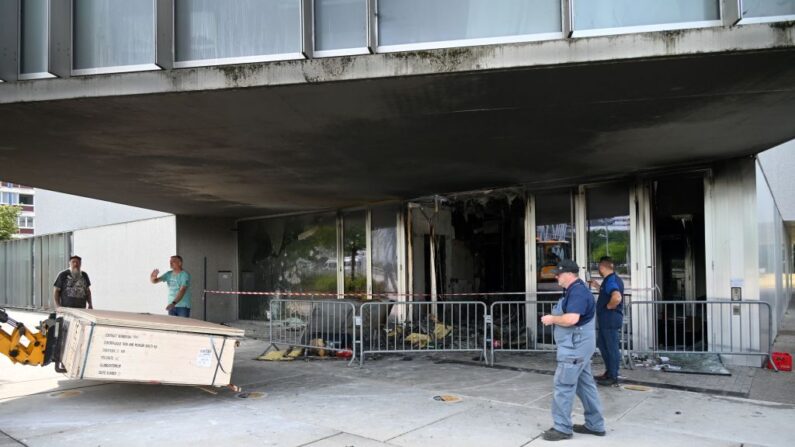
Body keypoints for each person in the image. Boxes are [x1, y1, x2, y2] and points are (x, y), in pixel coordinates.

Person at [540, 259, 605, 441]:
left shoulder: (577, 291)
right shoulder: (573, 290)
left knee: (564, 385)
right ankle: (595, 424)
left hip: (575, 346)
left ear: (569, 274)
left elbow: (571, 319)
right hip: (579, 345)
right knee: (585, 385)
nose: (556, 276)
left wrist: (552, 319)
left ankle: (562, 428)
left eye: (558, 273)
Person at [590, 256, 625, 387]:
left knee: (611, 347)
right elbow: (607, 293)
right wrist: (596, 286)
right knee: (603, 344)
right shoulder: (611, 280)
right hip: (607, 319)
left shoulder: (611, 280)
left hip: (610, 319)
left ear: (602, 267)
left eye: (599, 267)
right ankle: (609, 372)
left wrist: (609, 306)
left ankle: (613, 376)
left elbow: (616, 297)